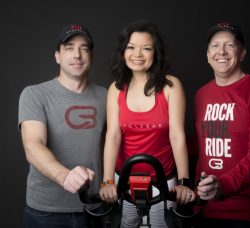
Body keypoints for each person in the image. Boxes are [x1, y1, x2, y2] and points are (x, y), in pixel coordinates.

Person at [99, 20, 195, 227]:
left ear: (156, 53)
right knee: (127, 223)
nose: (138, 54)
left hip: (163, 179)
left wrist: (184, 183)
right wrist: (107, 181)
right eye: (131, 47)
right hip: (124, 179)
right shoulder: (116, 89)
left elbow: (177, 136)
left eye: (146, 48)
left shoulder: (171, 86)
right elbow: (113, 136)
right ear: (123, 52)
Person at [18, 24, 107, 228]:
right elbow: (33, 146)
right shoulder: (34, 94)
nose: (77, 54)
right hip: (47, 211)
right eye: (69, 48)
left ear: (91, 56)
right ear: (57, 56)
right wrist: (65, 176)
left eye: (84, 48)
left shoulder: (107, 96)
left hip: (95, 207)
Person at [194, 22, 250, 227]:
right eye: (215, 45)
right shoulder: (201, 95)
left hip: (246, 213)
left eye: (229, 45)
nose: (221, 51)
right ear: (207, 55)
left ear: (242, 53)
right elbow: (202, 147)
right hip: (204, 210)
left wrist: (223, 185)